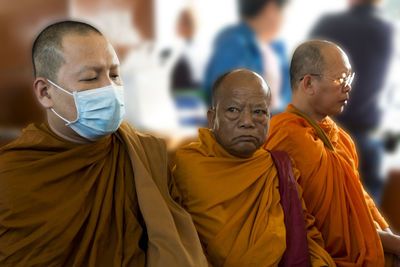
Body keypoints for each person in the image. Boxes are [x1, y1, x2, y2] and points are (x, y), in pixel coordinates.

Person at [0, 21, 208, 267]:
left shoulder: (144, 155)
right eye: (90, 78)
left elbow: (174, 244)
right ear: (45, 92)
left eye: (114, 75)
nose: (110, 89)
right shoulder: (11, 176)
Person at [170, 69, 335, 266]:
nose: (247, 122)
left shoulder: (277, 168)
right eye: (233, 110)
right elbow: (175, 242)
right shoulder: (189, 166)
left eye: (258, 112)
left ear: (268, 118)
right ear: (212, 118)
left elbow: (303, 236)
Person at [265, 40, 400, 266]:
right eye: (340, 79)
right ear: (308, 84)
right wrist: (390, 243)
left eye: (349, 78)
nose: (347, 87)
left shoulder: (339, 136)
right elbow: (314, 227)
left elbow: (360, 200)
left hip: (371, 247)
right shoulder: (285, 138)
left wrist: (389, 238)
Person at [309, 0, 395, 201]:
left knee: (321, 219)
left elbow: (304, 78)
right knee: (368, 223)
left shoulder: (328, 25)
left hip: (325, 137)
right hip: (368, 140)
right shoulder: (388, 31)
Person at [204, 0, 291, 112]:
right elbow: (229, 108)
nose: (285, 19)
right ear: (271, 9)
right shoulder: (234, 46)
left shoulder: (276, 51)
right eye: (283, 11)